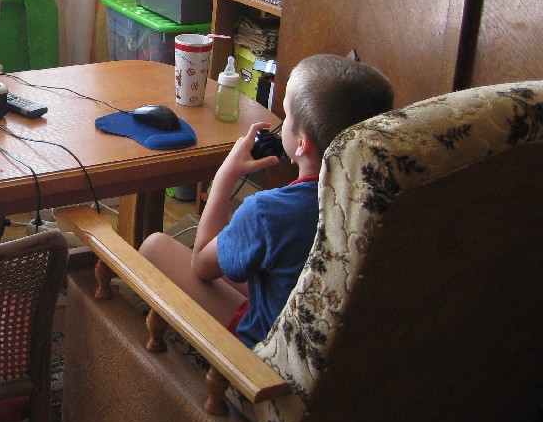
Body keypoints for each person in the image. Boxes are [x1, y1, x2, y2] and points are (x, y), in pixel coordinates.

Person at [140, 54, 393, 348]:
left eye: (286, 116)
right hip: (339, 341)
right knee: (248, 256)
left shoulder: (268, 212)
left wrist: (225, 176)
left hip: (273, 346)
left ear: (302, 143)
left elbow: (201, 265)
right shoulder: (386, 200)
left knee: (155, 247)